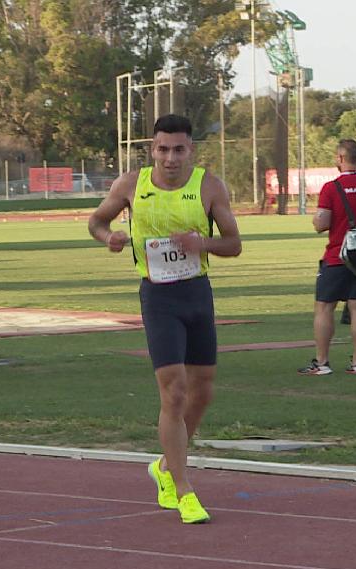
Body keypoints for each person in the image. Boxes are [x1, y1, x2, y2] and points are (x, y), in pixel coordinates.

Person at [88, 114, 242, 524]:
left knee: (202, 393)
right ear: (151, 150)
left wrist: (202, 242)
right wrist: (111, 239)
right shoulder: (131, 185)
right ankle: (183, 487)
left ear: (191, 150)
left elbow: (234, 244)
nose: (170, 158)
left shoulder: (209, 186)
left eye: (178, 149)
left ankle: (163, 465)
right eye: (162, 149)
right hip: (158, 296)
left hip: (197, 293)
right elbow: (96, 221)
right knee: (173, 392)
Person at [297, 139, 356, 376]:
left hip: (338, 255)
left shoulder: (332, 187)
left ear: (340, 158)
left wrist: (316, 221)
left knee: (324, 307)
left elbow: (322, 222)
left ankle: (322, 361)